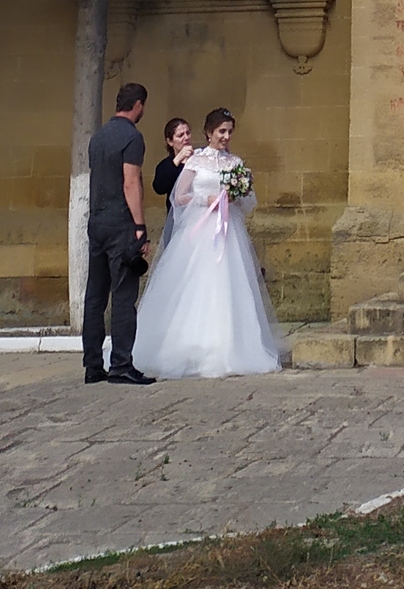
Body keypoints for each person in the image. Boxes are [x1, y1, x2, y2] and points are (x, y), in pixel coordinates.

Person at [134, 106, 290, 379]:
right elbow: (178, 196)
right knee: (196, 285)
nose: (226, 136)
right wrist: (203, 200)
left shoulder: (235, 164)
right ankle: (191, 346)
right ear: (208, 133)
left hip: (228, 233)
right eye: (221, 131)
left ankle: (229, 347)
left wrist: (234, 197)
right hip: (199, 231)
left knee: (229, 286)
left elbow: (248, 201)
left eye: (229, 131)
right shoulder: (196, 161)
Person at [82, 82, 156, 387]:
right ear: (138, 105)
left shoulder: (98, 137)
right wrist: (140, 227)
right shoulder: (132, 137)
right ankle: (122, 364)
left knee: (95, 296)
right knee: (124, 295)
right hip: (120, 225)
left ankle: (92, 365)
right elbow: (131, 182)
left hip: (96, 222)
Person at [150, 117, 193, 251]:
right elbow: (159, 187)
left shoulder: (199, 160)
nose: (186, 138)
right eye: (180, 135)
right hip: (176, 221)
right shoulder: (165, 165)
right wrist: (178, 159)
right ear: (170, 141)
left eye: (187, 133)